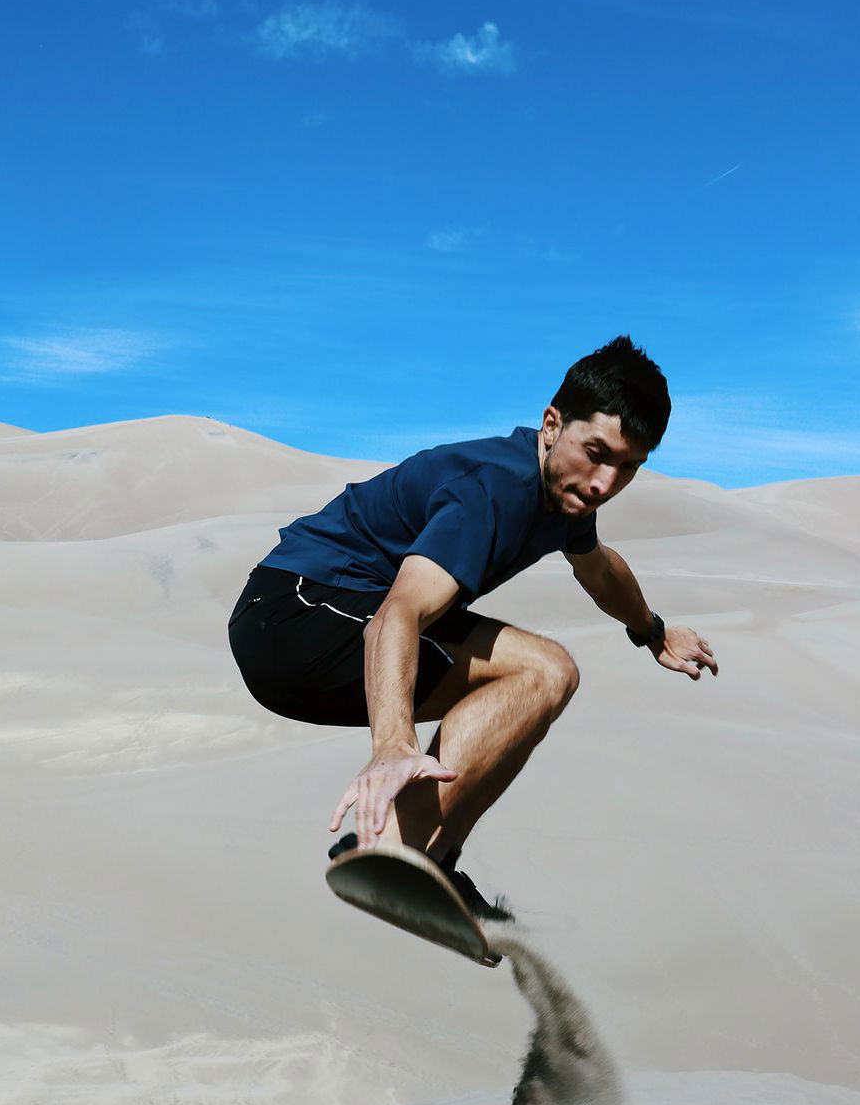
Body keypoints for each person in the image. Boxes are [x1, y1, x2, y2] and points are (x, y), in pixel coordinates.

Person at [227, 334, 718, 920]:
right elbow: (397, 615)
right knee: (544, 669)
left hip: (325, 627)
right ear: (552, 424)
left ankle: (427, 858)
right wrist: (392, 746)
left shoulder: (562, 497)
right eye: (596, 453)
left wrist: (652, 631)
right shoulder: (495, 490)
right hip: (295, 614)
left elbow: (598, 566)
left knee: (532, 684)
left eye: (627, 467)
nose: (603, 484)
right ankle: (392, 846)